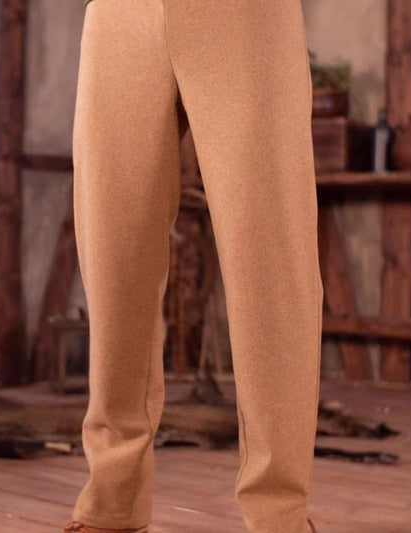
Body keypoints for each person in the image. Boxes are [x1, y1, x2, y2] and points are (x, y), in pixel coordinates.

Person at [65, 0, 323, 531]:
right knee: (114, 264)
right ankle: (111, 506)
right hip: (117, 16)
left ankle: (280, 517)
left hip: (244, 16)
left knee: (271, 268)